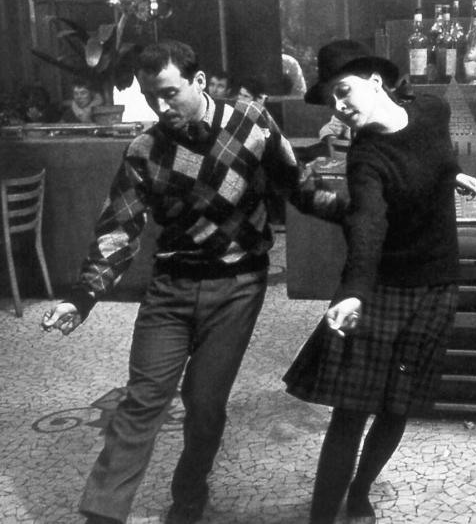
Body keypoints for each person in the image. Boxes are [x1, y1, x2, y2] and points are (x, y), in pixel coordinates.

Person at [40, 40, 344, 524]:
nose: (162, 108)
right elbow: (119, 228)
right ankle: (102, 513)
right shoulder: (145, 149)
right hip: (171, 287)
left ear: (198, 82)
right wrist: (83, 297)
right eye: (150, 97)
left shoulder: (252, 124)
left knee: (204, 406)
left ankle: (188, 495)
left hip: (238, 286)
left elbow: (298, 187)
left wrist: (358, 212)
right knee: (141, 401)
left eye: (169, 93)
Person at [283, 39, 476, 524]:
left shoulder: (432, 109)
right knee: (350, 412)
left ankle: (363, 490)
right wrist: (352, 293)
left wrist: (453, 174)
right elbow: (368, 226)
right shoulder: (366, 157)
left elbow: (436, 148)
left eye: (344, 92)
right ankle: (322, 519)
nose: (339, 106)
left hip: (437, 282)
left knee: (398, 407)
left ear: (376, 82)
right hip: (383, 287)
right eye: (331, 98)